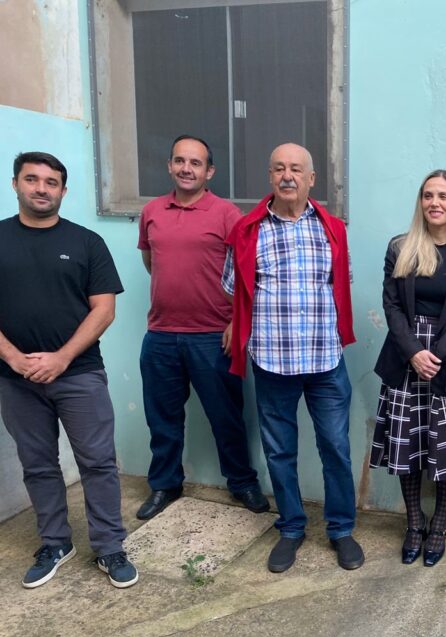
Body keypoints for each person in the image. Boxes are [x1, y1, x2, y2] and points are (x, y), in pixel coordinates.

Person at [0, 152, 138, 589]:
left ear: (63, 190)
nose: (41, 188)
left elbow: (104, 309)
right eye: (32, 179)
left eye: (51, 182)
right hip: (16, 379)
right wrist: (13, 358)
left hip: (79, 374)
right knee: (38, 464)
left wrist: (61, 357)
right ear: (16, 184)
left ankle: (110, 546)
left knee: (97, 463)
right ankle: (56, 543)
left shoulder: (86, 243)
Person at [221, 143, 361, 574]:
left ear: (311, 179)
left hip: (324, 361)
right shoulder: (248, 230)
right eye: (279, 168)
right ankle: (292, 527)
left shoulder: (333, 229)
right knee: (279, 451)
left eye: (296, 169)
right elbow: (234, 288)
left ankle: (341, 529)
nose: (288, 176)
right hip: (272, 361)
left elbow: (343, 281)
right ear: (270, 176)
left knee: (336, 447)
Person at [136, 135, 267, 521]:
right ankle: (165, 484)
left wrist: (235, 321)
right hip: (160, 335)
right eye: (180, 161)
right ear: (170, 166)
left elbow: (246, 273)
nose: (186, 168)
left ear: (209, 171)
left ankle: (242, 482)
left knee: (227, 417)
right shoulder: (152, 211)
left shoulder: (227, 214)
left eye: (195, 163)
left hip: (213, 335)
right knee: (162, 419)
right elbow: (150, 261)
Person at [370, 169, 446, 567]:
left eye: (443, 196)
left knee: (445, 445)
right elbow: (391, 304)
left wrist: (434, 355)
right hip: (406, 356)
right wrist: (413, 353)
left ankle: (439, 524)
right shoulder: (400, 246)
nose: (434, 203)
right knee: (407, 443)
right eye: (427, 195)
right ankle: (414, 522)